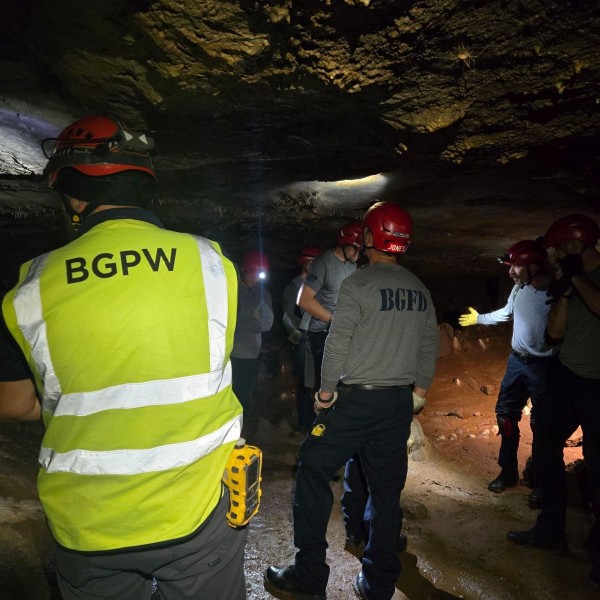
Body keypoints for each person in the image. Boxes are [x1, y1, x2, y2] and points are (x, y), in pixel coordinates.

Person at [0, 116, 247, 600]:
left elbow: (14, 404)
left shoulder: (29, 289)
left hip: (89, 524)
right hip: (196, 506)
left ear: (73, 196)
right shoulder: (211, 263)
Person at [265, 201, 439, 600]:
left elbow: (339, 341)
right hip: (396, 404)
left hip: (356, 401)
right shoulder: (419, 288)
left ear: (369, 237)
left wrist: (325, 394)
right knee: (385, 491)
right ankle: (378, 583)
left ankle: (309, 577)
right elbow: (430, 344)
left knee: (312, 468)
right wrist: (419, 394)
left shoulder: (357, 284)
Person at [507, 214, 600, 592]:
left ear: (576, 245)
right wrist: (564, 291)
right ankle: (550, 528)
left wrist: (576, 278)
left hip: (598, 385)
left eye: (560, 249)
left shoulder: (590, 277)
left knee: (599, 470)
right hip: (565, 378)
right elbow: (556, 331)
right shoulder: (568, 281)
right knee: (545, 448)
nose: (556, 256)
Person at [458, 240, 557, 500]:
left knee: (543, 425)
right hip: (518, 362)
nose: (511, 272)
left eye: (516, 266)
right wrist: (479, 318)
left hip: (544, 366)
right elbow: (506, 313)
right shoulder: (520, 288)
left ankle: (541, 482)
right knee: (506, 417)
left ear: (534, 266)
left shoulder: (557, 292)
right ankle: (508, 472)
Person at [297, 220, 363, 387]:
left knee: (346, 382)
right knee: (328, 384)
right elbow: (303, 300)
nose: (358, 255)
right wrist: (333, 319)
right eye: (357, 249)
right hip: (322, 333)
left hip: (343, 331)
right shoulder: (323, 263)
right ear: (348, 245)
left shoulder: (352, 266)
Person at [231, 250, 274, 433]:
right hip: (230, 354)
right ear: (244, 270)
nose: (255, 279)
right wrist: (252, 317)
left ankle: (243, 432)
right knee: (229, 395)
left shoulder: (264, 294)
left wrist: (243, 321)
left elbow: (267, 322)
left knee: (245, 397)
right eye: (253, 274)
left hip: (251, 355)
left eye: (259, 275)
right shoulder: (231, 289)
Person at [282, 246, 322, 435]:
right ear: (303, 262)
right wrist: (295, 331)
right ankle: (304, 423)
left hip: (318, 339)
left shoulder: (320, 286)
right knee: (305, 385)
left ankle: (319, 422)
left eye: (315, 261)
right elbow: (289, 314)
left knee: (320, 383)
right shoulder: (294, 287)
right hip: (303, 341)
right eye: (309, 261)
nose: (312, 265)